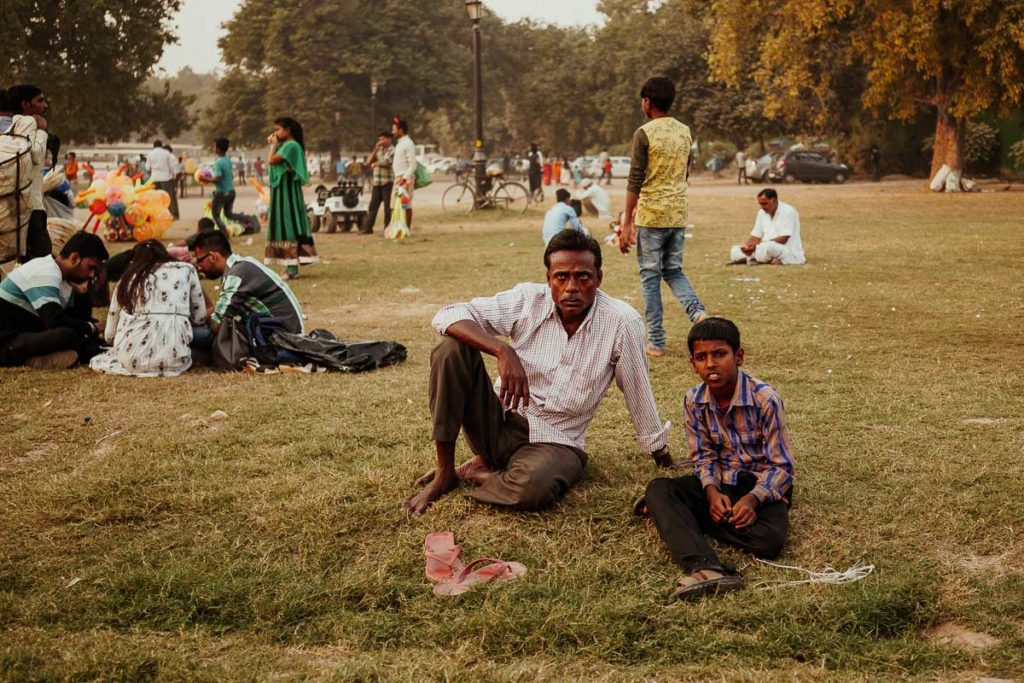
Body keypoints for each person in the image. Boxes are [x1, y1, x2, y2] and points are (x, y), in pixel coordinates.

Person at [404, 229, 675, 515]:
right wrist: (502, 350)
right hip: (498, 422)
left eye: (582, 276)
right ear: (548, 279)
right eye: (561, 277)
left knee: (531, 488)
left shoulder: (622, 322)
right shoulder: (528, 300)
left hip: (557, 441)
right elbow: (446, 315)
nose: (572, 287)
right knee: (450, 348)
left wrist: (661, 455)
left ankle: (480, 474)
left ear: (598, 279)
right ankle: (445, 472)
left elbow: (637, 389)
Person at [639, 318, 794, 601]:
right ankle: (706, 566)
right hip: (719, 481)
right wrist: (711, 493)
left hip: (757, 485)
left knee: (769, 541)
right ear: (693, 363)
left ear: (738, 356)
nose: (711, 364)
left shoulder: (765, 400)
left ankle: (675, 515)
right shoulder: (693, 400)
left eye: (719, 354)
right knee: (659, 488)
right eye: (702, 357)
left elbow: (781, 467)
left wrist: (753, 499)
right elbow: (703, 456)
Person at [619, 76, 708, 358]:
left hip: (652, 215)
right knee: (673, 270)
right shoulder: (685, 132)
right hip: (678, 213)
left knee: (649, 276)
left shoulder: (644, 133)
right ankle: (698, 313)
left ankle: (656, 341)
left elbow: (635, 179)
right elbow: (685, 172)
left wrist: (626, 222)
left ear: (647, 102)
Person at [89, 240, 208, 377]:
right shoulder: (186, 270)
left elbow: (109, 335)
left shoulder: (127, 278)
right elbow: (200, 318)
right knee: (204, 333)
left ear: (133, 261)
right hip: (177, 360)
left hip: (132, 358)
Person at [190, 231, 304, 366]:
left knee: (191, 335)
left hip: (282, 340)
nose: (198, 266)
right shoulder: (243, 264)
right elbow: (221, 310)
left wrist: (188, 327)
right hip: (284, 331)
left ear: (213, 256)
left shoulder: (236, 274)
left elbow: (217, 324)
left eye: (199, 260)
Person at [0, 231, 108, 369]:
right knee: (67, 335)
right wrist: (90, 327)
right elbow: (55, 321)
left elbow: (79, 318)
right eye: (91, 267)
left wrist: (82, 294)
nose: (92, 274)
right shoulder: (45, 270)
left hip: (26, 335)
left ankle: (55, 356)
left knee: (79, 334)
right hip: (6, 342)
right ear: (74, 258)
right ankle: (30, 360)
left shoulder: (66, 281)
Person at [265, 117, 318, 279]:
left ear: (288, 130)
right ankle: (290, 267)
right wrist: (275, 143)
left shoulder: (291, 146)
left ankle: (292, 269)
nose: (276, 133)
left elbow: (271, 160)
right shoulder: (287, 145)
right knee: (285, 224)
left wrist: (274, 145)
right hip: (283, 191)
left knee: (289, 224)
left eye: (279, 129)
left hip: (287, 192)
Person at [8, 84, 53, 260]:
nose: (45, 106)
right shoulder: (26, 126)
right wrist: (41, 130)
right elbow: (34, 155)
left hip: (16, 208)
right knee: (43, 263)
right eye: (40, 101)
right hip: (31, 208)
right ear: (25, 104)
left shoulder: (11, 126)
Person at [728, 188, 805, 265]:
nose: (762, 207)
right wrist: (748, 247)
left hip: (785, 250)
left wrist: (758, 246)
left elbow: (784, 239)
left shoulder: (788, 211)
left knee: (769, 247)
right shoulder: (761, 213)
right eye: (760, 204)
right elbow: (755, 236)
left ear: (774, 201)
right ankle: (756, 257)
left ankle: (753, 258)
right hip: (763, 248)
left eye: (765, 203)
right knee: (734, 250)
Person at [210, 137, 257, 236]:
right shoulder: (227, 160)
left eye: (214, 146)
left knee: (216, 215)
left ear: (218, 149)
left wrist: (206, 179)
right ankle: (248, 219)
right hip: (231, 192)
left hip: (221, 192)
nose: (213, 148)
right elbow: (230, 176)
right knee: (228, 214)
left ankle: (225, 235)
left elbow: (218, 178)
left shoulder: (218, 162)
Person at [363, 131, 394, 235]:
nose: (380, 141)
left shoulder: (392, 150)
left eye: (383, 139)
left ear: (389, 139)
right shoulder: (379, 150)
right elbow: (369, 161)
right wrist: (375, 148)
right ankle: (368, 228)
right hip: (377, 182)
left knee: (387, 207)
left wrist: (376, 164)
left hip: (387, 182)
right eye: (379, 139)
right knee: (373, 206)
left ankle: (387, 229)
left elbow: (388, 162)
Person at [391, 117, 416, 230]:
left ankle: (406, 229)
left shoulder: (408, 144)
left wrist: (405, 178)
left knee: (406, 205)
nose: (393, 132)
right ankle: (398, 228)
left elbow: (412, 165)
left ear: (400, 130)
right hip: (398, 178)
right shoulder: (400, 144)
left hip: (405, 179)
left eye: (394, 129)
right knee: (396, 205)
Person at [146, 140, 180, 220]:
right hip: (166, 178)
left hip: (154, 178)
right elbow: (173, 166)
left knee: (155, 198)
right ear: (161, 145)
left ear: (153, 146)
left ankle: (156, 216)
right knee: (168, 197)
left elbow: (147, 167)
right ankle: (171, 215)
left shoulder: (150, 154)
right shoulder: (167, 153)